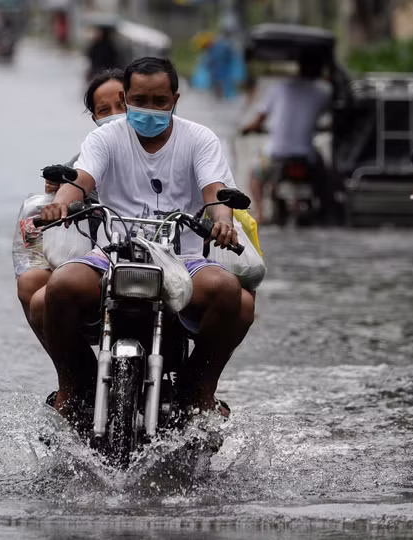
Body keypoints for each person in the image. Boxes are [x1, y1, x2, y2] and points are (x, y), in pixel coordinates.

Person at [36, 57, 255, 419]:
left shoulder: (200, 139)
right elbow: (80, 180)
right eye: (139, 101)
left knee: (228, 290)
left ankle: (199, 389)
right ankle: (73, 385)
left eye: (159, 102)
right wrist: (60, 205)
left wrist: (223, 222)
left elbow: (216, 193)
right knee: (59, 287)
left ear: (175, 99)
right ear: (126, 96)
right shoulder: (104, 137)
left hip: (181, 260)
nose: (149, 110)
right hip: (112, 254)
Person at [16, 69, 126, 347]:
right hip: (102, 252)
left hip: (158, 252)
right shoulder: (90, 152)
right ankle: (75, 376)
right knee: (32, 284)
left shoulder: (177, 143)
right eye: (105, 110)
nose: (115, 114)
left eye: (122, 105)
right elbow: (77, 183)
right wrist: (58, 200)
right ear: (95, 118)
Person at [241, 54, 332, 224]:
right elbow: (331, 116)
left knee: (254, 175)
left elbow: (258, 120)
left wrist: (248, 128)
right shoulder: (322, 93)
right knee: (326, 177)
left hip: (276, 155)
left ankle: (260, 214)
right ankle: (326, 211)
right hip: (306, 158)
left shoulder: (279, 88)